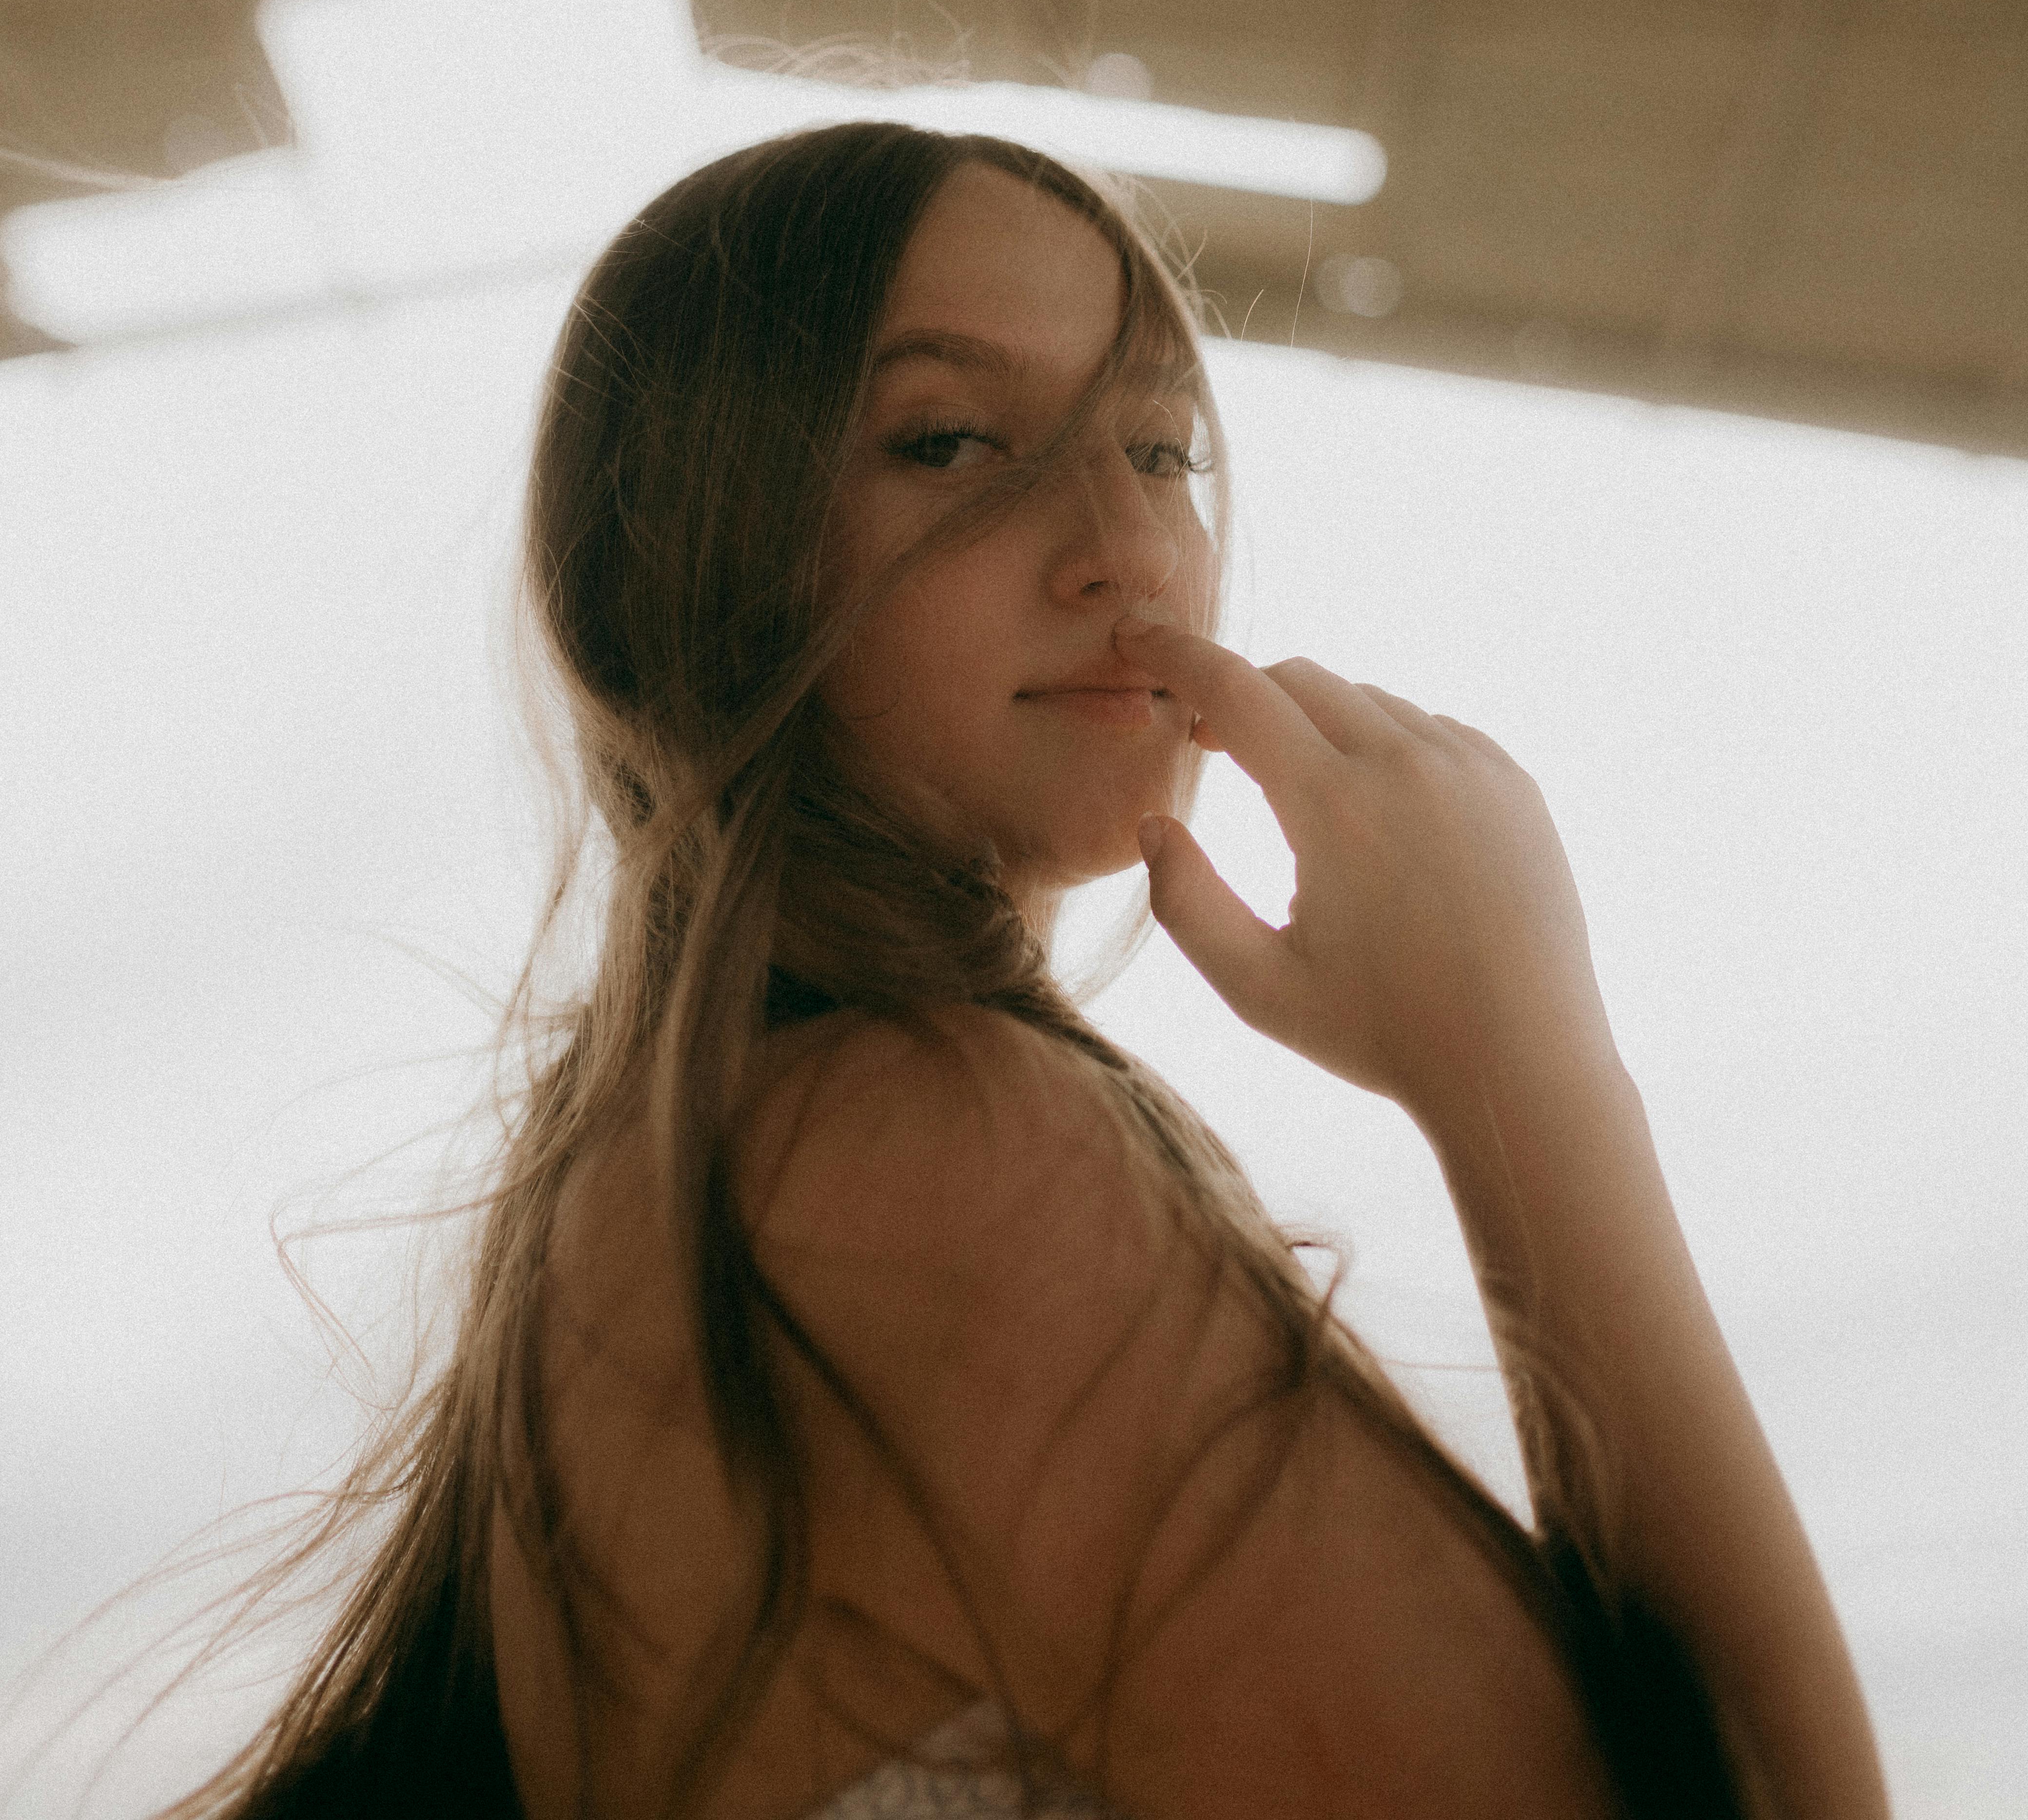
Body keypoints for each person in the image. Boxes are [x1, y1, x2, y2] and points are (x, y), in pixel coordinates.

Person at [167, 122, 1888, 1820]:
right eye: (951, 441)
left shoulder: (702, 1163)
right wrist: (1528, 1073)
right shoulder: (910, 1151)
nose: (1124, 546)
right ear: (690, 557)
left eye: (1158, 447)